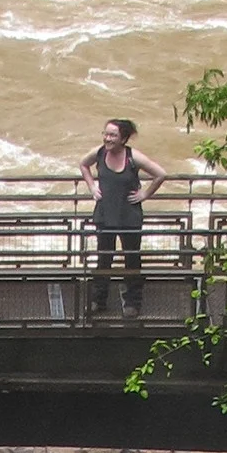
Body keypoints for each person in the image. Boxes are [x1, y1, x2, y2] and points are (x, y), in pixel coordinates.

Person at [76, 117, 165, 316]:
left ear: (123, 138)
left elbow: (160, 174)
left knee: (131, 258)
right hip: (105, 214)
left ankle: (133, 302)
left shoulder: (133, 157)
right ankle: (99, 300)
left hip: (129, 216)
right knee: (104, 258)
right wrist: (92, 186)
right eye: (105, 134)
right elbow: (83, 164)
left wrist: (145, 194)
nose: (107, 139)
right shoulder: (99, 153)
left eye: (112, 135)